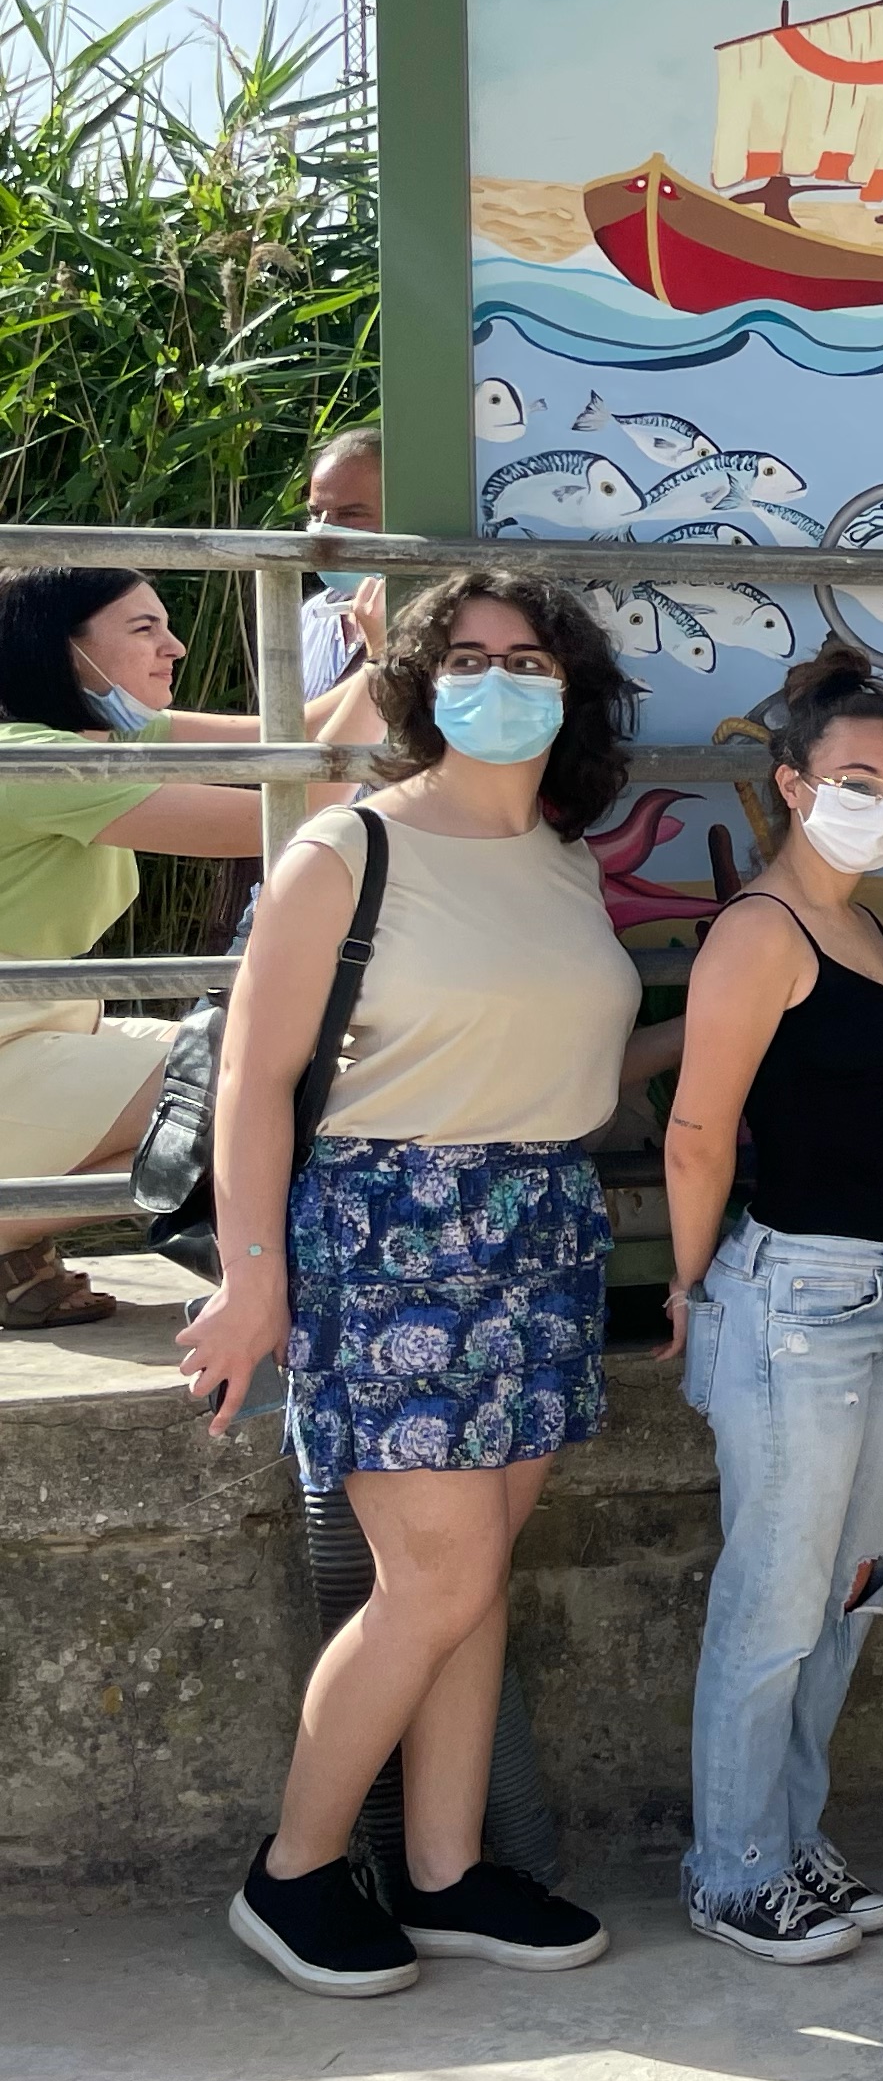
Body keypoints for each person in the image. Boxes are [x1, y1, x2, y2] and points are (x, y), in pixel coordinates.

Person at [175, 572, 643, 1997]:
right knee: (435, 1577)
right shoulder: (349, 848)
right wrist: (253, 1280)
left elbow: (548, 1044)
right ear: (424, 683)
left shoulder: (565, 859)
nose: (501, 680)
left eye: (531, 659)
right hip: (390, 1235)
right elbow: (254, 1081)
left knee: (474, 1571)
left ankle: (445, 1871)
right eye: (472, 656)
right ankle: (294, 1871)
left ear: (573, 692)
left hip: (541, 1227)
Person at [658, 650, 883, 1964]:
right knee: (775, 1598)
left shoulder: (866, 928)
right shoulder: (760, 931)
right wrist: (687, 1288)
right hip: (798, 1300)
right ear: (792, 782)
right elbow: (697, 1132)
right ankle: (732, 1870)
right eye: (857, 780)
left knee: (849, 1589)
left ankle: (789, 1840)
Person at [0, 565, 382, 1324]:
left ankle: (16, 1236)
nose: (174, 647)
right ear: (60, 647)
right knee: (259, 1090)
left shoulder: (99, 729)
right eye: (144, 629)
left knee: (261, 1085)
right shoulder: (36, 761)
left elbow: (296, 735)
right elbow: (297, 817)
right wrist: (389, 669)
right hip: (16, 1038)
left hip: (43, 1025)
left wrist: (392, 657)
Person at [296, 427, 391, 703]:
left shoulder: (437, 621)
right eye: (316, 515)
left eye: (350, 514)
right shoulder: (310, 617)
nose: (325, 529)